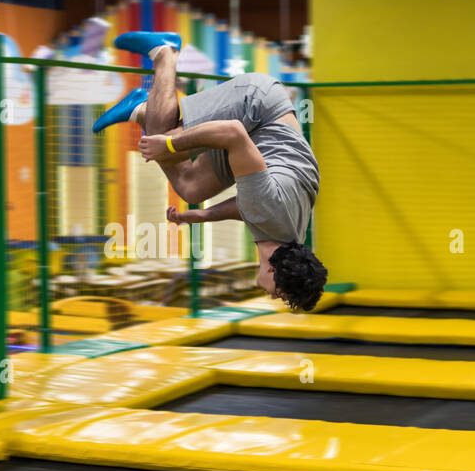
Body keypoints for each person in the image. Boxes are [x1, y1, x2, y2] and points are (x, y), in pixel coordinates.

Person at [93, 31, 328, 311]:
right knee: (164, 134)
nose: (275, 298)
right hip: (258, 107)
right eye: (281, 295)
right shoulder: (269, 210)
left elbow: (248, 209)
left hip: (260, 140)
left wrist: (202, 215)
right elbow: (233, 133)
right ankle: (164, 52)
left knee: (191, 189)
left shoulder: (288, 239)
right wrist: (169, 143)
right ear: (274, 274)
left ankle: (141, 110)